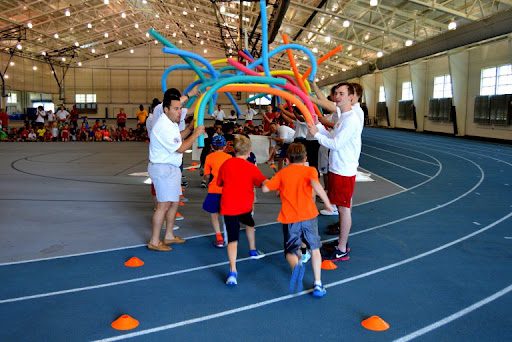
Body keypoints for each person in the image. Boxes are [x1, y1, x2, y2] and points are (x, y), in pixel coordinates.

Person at [262, 143, 333, 297]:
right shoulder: (310, 170)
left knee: (290, 251)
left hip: (291, 219)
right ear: (305, 158)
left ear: (287, 159)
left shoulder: (282, 174)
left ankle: (297, 266)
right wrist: (327, 203)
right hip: (309, 216)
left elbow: (266, 189)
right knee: (315, 249)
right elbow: (316, 185)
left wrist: (266, 182)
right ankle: (318, 284)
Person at [308, 82, 362, 261]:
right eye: (336, 93)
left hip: (344, 169)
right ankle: (341, 243)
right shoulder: (343, 116)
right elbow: (333, 136)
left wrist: (316, 134)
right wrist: (320, 128)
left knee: (344, 209)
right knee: (341, 208)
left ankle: (342, 248)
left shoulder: (352, 118)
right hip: (338, 167)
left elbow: (337, 144)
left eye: (341, 93)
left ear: (351, 97)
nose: (337, 96)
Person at [147, 92, 205, 251]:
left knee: (173, 203)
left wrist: (189, 128)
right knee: (163, 205)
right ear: (166, 109)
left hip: (171, 169)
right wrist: (196, 134)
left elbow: (178, 137)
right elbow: (180, 148)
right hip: (163, 169)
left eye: (180, 108)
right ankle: (154, 241)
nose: (179, 112)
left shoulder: (171, 122)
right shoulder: (163, 126)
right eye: (175, 108)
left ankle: (169, 235)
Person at [217, 135, 267, 285]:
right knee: (249, 224)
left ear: (234, 150)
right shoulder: (251, 167)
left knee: (233, 239)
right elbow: (264, 184)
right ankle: (252, 250)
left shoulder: (226, 165)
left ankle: (233, 270)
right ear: (249, 151)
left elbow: (220, 183)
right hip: (245, 206)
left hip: (230, 207)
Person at [202, 135, 232, 248]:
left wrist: (206, 179)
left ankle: (219, 237)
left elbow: (207, 175)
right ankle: (229, 236)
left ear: (211, 146)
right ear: (224, 147)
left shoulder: (209, 157)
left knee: (214, 214)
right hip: (227, 190)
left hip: (214, 189)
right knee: (226, 214)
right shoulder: (229, 157)